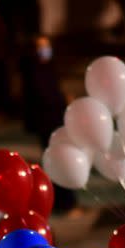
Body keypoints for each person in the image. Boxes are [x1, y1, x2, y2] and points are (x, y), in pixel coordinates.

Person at [19, 34, 78, 215]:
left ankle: (64, 201)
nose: (46, 51)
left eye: (47, 46)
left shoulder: (48, 68)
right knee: (58, 163)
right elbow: (44, 98)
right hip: (47, 123)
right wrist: (62, 101)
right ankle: (64, 202)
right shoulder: (33, 72)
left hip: (55, 121)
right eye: (41, 47)